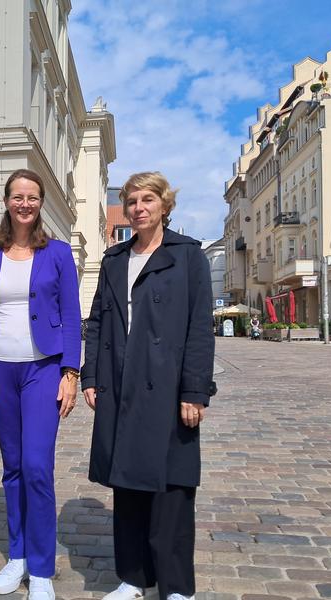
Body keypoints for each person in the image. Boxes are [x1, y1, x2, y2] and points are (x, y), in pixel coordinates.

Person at [81, 172, 216, 600]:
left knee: (173, 487)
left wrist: (195, 390)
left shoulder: (188, 255)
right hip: (120, 381)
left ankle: (176, 587)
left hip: (170, 383)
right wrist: (91, 376)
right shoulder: (115, 258)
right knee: (128, 483)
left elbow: (200, 328)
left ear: (164, 205)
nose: (139, 208)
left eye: (147, 200)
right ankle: (133, 577)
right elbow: (98, 320)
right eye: (132, 201)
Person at [0, 168, 81, 600]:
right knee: (12, 466)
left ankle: (42, 567)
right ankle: (17, 555)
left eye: (32, 197)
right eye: (18, 196)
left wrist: (71, 373)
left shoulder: (58, 254)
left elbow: (71, 316)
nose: (25, 203)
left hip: (43, 370)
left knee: (37, 466)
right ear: (7, 201)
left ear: (41, 202)